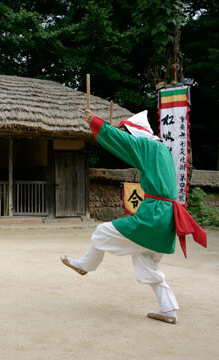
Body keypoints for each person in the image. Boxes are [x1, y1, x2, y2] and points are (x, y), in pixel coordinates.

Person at [61, 109, 206, 324]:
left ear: (136, 132)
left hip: (155, 215)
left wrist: (96, 122)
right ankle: (168, 309)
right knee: (147, 263)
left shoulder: (148, 146)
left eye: (129, 132)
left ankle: (85, 265)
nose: (128, 136)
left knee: (102, 231)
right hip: (166, 219)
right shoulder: (162, 150)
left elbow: (123, 142)